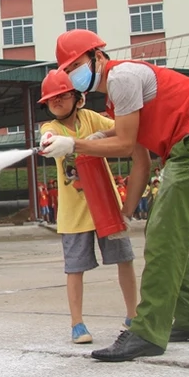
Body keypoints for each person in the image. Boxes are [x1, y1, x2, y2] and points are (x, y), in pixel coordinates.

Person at [40, 29, 189, 362]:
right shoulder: (118, 98)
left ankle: (146, 332)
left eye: (76, 65)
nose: (73, 74)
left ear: (98, 57)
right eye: (68, 70)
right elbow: (141, 160)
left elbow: (126, 146)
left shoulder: (122, 78)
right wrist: (126, 214)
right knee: (167, 235)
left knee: (163, 237)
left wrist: (76, 143)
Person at [38, 69, 138, 345]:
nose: (56, 102)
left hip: (106, 204)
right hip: (74, 212)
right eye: (51, 99)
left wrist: (103, 134)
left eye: (62, 95)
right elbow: (45, 138)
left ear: (77, 97)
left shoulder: (90, 118)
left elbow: (122, 126)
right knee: (75, 268)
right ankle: (77, 324)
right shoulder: (51, 128)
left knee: (124, 260)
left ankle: (133, 315)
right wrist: (48, 144)